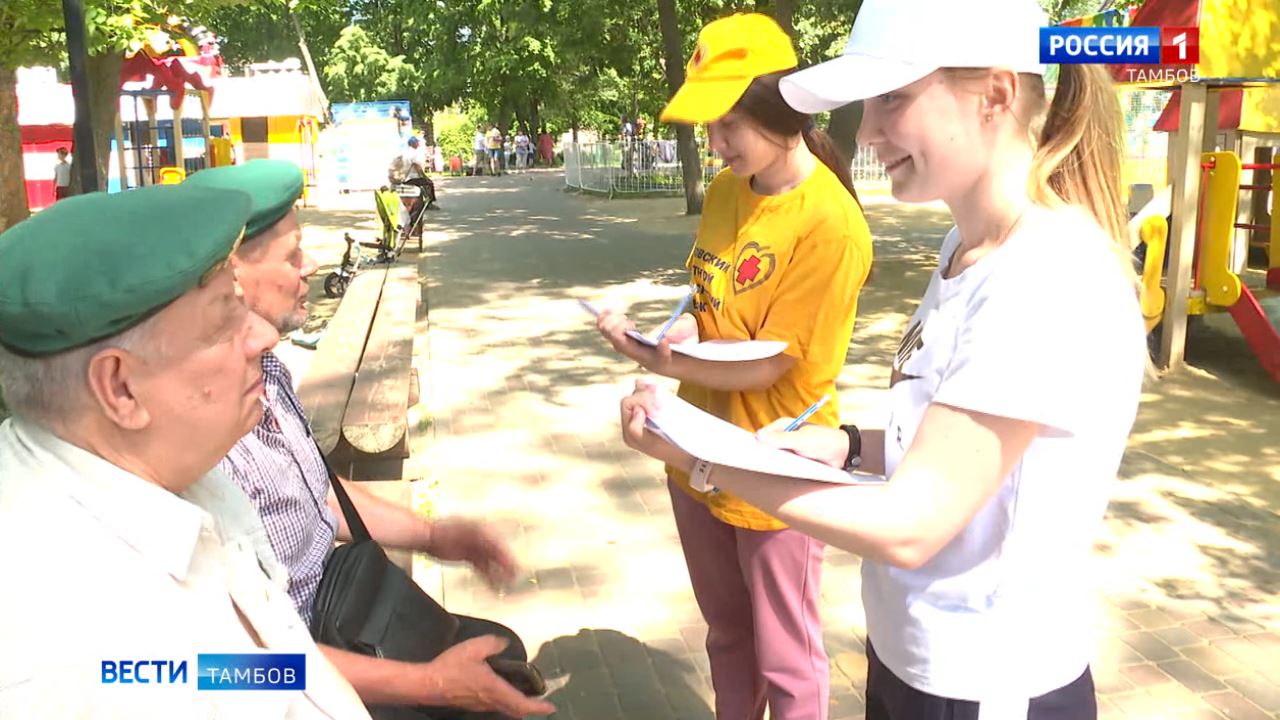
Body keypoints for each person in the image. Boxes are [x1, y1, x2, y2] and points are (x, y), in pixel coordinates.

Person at [617, 1, 1149, 719]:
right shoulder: (967, 251)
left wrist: (707, 457)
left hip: (987, 684)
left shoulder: (1043, 274)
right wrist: (847, 444)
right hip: (916, 659)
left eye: (893, 97)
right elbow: (956, 453)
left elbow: (911, 522)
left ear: (994, 93)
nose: (866, 131)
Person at [186, 160, 554, 720]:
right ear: (230, 278)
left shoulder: (269, 373)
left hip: (340, 603)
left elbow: (318, 495)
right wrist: (429, 686)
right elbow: (231, 663)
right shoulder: (190, 444)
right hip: (300, 667)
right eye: (292, 255)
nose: (311, 266)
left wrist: (433, 535)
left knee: (501, 653)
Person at [0, 184, 371, 718]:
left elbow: (251, 661)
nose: (263, 338)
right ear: (122, 389)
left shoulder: (170, 470)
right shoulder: (66, 663)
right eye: (224, 320)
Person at [594, 13, 872, 720]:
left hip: (776, 461)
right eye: (707, 128)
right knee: (727, 635)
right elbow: (704, 297)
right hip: (693, 448)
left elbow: (766, 368)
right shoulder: (726, 192)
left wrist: (644, 354)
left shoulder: (830, 226)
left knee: (788, 659)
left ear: (780, 108)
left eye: (725, 125)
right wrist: (671, 334)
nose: (714, 144)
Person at [390, 136, 439, 218]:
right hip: (413, 177)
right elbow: (417, 166)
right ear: (413, 143)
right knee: (429, 184)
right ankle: (429, 203)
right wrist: (424, 176)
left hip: (404, 178)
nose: (418, 144)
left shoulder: (405, 153)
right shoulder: (414, 153)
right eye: (417, 142)